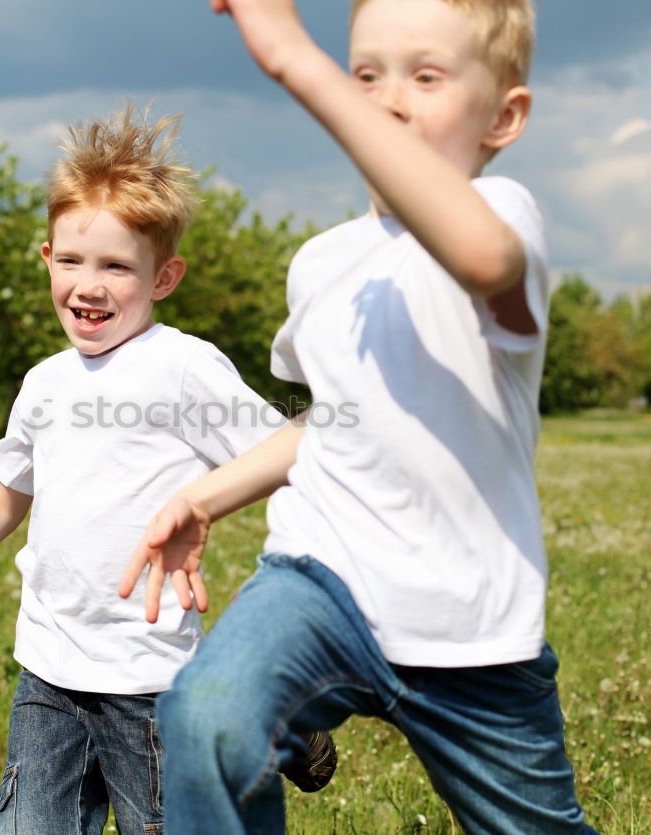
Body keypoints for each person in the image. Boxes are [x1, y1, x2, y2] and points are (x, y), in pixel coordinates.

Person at [119, 1, 599, 832]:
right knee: (208, 717)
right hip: (323, 580)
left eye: (426, 75)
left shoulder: (506, 216)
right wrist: (205, 497)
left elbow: (482, 258)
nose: (386, 99)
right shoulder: (322, 264)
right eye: (365, 74)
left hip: (468, 625)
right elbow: (333, 422)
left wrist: (296, 59)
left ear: (505, 116)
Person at [0, 105, 332, 835]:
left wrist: (208, 502)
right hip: (48, 670)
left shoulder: (183, 366)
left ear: (164, 276)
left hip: (148, 675)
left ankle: (271, 716)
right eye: (71, 261)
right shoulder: (44, 381)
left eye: (116, 266)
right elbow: (6, 500)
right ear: (46, 259)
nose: (88, 285)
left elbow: (282, 453)